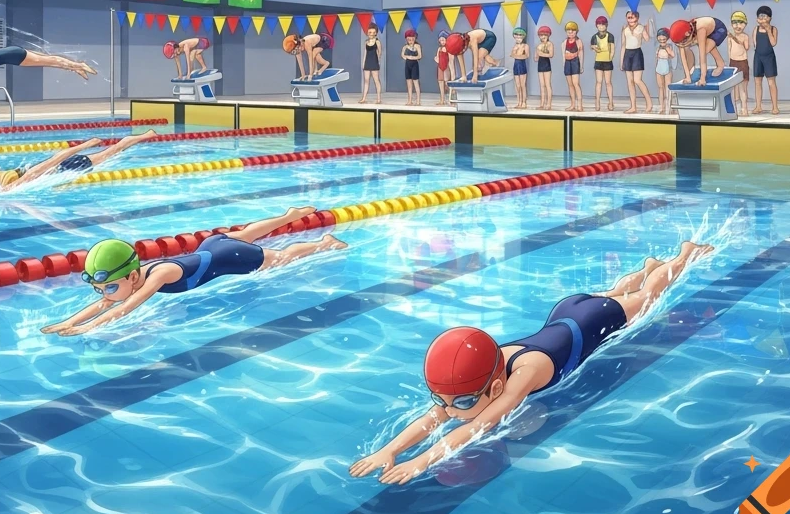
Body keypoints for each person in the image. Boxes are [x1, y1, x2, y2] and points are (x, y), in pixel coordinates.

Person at [349, 240, 714, 485]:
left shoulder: (525, 373)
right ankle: (651, 265)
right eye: (443, 400)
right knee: (618, 292)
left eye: (461, 403)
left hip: (591, 319)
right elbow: (434, 418)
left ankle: (684, 255)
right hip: (567, 311)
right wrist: (389, 450)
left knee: (647, 296)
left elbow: (481, 424)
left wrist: (422, 461)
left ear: (495, 387)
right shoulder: (474, 381)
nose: (450, 411)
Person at [41, 208, 347, 336]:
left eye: (108, 288)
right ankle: (288, 216)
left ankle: (323, 242)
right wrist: (67, 322)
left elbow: (127, 307)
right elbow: (106, 303)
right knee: (247, 233)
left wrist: (87, 328)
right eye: (100, 289)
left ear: (132, 277)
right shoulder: (128, 278)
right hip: (211, 245)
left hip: (230, 258)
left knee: (282, 257)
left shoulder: (156, 276)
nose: (105, 296)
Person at [0, 131, 157, 191]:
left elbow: (58, 157)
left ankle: (144, 136)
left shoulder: (31, 174)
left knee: (111, 152)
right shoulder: (29, 175)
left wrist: (86, 145)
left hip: (72, 164)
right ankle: (140, 137)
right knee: (111, 152)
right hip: (69, 167)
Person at [669, 16, 728, 87]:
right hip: (703, 30)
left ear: (688, 34)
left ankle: (720, 64)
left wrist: (702, 79)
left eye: (683, 42)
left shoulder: (700, 30)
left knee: (705, 50)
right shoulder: (680, 38)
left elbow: (702, 58)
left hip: (718, 29)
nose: (682, 45)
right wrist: (687, 77)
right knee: (706, 46)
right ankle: (721, 62)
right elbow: (683, 58)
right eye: (679, 44)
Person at [620, 10, 653, 114]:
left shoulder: (640, 27)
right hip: (627, 54)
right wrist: (621, 61)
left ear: (637, 18)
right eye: (628, 17)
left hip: (637, 53)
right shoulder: (624, 29)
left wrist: (646, 29)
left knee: (637, 80)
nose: (630, 19)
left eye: (632, 17)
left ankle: (649, 103)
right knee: (630, 82)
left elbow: (647, 39)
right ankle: (633, 106)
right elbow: (623, 45)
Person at [751, 5, 780, 114]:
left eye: (765, 17)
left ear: (770, 18)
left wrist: (768, 30)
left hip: (769, 57)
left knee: (771, 82)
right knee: (757, 82)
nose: (762, 19)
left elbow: (773, 43)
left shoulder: (773, 29)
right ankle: (758, 106)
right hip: (758, 57)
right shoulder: (756, 29)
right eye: (760, 17)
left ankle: (775, 107)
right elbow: (755, 44)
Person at [726, 11, 750, 116]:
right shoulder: (730, 37)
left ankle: (744, 109)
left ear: (745, 24)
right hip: (733, 62)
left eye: (741, 23)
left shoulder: (745, 36)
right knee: (733, 89)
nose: (738, 26)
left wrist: (735, 38)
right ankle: (735, 109)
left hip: (742, 62)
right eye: (735, 23)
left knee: (742, 88)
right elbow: (729, 51)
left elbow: (746, 47)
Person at [590, 15, 615, 112]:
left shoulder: (610, 36)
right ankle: (597, 102)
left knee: (608, 82)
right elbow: (592, 47)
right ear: (596, 26)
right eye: (599, 25)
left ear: (606, 25)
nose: (601, 26)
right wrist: (594, 48)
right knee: (599, 82)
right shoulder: (594, 36)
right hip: (598, 61)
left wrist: (610, 58)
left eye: (603, 24)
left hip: (607, 61)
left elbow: (612, 49)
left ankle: (611, 102)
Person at [653, 28, 676, 115]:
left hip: (667, 67)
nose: (662, 40)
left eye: (663, 38)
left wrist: (668, 51)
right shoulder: (658, 47)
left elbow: (673, 55)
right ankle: (661, 107)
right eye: (660, 38)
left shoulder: (668, 46)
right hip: (659, 67)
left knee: (667, 88)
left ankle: (669, 106)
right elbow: (657, 58)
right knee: (660, 88)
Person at [562, 21, 583, 111]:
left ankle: (580, 104)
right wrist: (564, 65)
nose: (570, 33)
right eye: (568, 31)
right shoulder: (564, 42)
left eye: (572, 31)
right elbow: (563, 55)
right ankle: (573, 104)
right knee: (570, 85)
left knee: (575, 84)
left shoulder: (578, 41)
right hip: (567, 63)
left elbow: (581, 54)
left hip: (575, 62)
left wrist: (581, 66)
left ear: (576, 31)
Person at [360, 23, 383, 104]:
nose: (371, 34)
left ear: (376, 33)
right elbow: (365, 53)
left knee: (376, 80)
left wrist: (378, 61)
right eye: (370, 32)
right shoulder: (366, 42)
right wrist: (363, 63)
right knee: (366, 80)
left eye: (373, 32)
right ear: (367, 33)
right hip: (367, 62)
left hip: (374, 62)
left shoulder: (377, 42)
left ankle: (379, 98)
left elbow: (380, 52)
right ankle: (364, 98)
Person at [535, 26, 554, 110]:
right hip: (540, 65)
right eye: (541, 35)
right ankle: (542, 103)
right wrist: (536, 52)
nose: (543, 37)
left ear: (548, 35)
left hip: (546, 64)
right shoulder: (539, 45)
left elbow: (551, 55)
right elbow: (536, 59)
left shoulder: (550, 44)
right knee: (542, 85)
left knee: (547, 84)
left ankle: (549, 103)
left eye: (544, 35)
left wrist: (540, 53)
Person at [401, 29, 422, 106]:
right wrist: (407, 57)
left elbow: (420, 56)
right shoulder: (405, 47)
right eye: (409, 39)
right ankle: (409, 100)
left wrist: (411, 57)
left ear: (414, 38)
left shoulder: (417, 46)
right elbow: (402, 55)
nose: (410, 41)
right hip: (407, 65)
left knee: (416, 83)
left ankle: (418, 100)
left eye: (412, 39)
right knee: (409, 84)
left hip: (414, 65)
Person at [510, 27, 529, 109]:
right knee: (517, 85)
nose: (518, 39)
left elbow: (526, 56)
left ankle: (524, 102)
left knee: (522, 85)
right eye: (516, 37)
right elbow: (511, 55)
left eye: (520, 37)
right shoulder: (515, 46)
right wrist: (517, 54)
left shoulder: (525, 46)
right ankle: (519, 102)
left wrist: (517, 55)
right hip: (516, 65)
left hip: (522, 65)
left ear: (523, 37)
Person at [435, 30, 451, 106]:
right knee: (441, 82)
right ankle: (442, 99)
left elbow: (450, 60)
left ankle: (450, 99)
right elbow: (437, 58)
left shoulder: (448, 49)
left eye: (443, 40)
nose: (442, 42)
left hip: (446, 67)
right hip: (440, 67)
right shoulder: (439, 49)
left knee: (447, 83)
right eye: (441, 40)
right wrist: (436, 59)